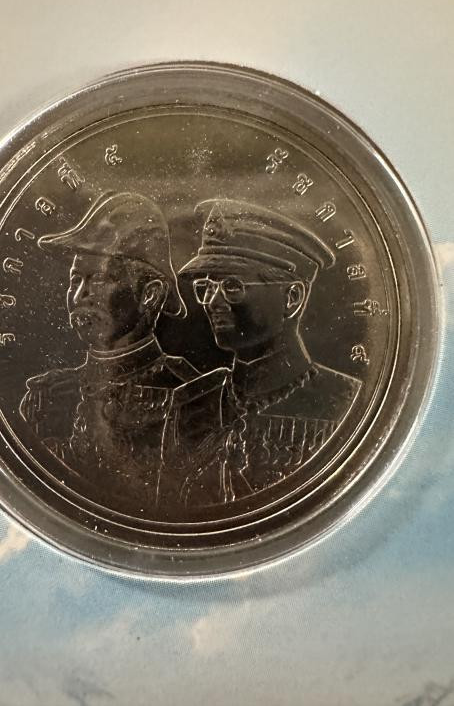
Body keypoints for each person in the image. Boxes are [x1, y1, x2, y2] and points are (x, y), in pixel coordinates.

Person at [158, 198, 361, 508]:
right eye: (206, 287)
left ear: (292, 297)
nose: (212, 301)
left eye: (232, 286)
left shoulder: (341, 402)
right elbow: (171, 509)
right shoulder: (190, 403)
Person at [19, 191, 199, 513]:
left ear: (151, 294)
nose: (80, 294)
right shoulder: (47, 397)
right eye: (75, 279)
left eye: (101, 279)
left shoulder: (191, 394)